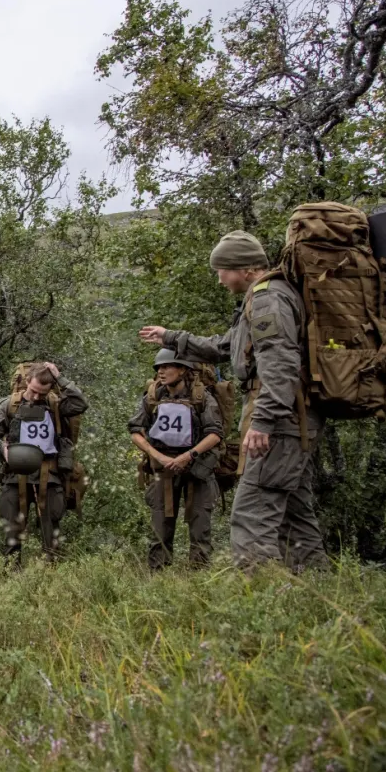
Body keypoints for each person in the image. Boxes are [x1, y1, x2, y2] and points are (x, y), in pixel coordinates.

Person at [139, 230, 327, 571]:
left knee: (251, 511)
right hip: (291, 418)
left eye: (222, 270)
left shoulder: (269, 299)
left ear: (242, 267)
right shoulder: (262, 297)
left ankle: (257, 597)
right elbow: (225, 347)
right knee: (295, 514)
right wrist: (170, 337)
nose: (220, 278)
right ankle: (317, 591)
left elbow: (281, 364)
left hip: (282, 420)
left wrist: (264, 421)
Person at [0, 362, 88, 566]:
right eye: (34, 391)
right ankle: (12, 577)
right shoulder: (8, 405)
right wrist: (2, 449)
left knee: (52, 536)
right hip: (15, 475)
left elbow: (81, 404)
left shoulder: (56, 405)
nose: (38, 397)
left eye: (42, 393)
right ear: (27, 381)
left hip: (50, 475)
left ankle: (51, 579)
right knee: (12, 532)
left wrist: (60, 377)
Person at [128, 349, 224, 569]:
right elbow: (134, 429)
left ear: (182, 369)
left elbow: (215, 433)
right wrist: (157, 456)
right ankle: (158, 578)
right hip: (163, 469)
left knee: (200, 528)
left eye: (167, 366)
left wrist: (188, 456)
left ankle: (199, 578)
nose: (161, 371)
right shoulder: (153, 396)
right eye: (158, 368)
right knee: (160, 528)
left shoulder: (202, 397)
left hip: (197, 466)